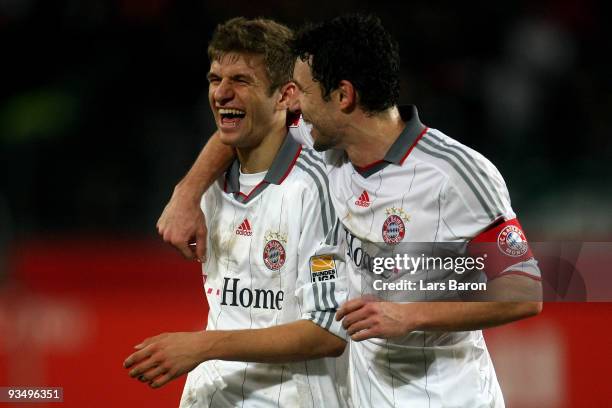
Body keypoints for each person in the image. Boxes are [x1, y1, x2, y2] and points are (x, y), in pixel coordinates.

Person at [156, 14, 543, 407]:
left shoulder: (454, 172)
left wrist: (410, 317)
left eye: (303, 92)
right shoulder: (330, 150)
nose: (294, 104)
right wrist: (186, 194)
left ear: (343, 96)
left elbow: (523, 292)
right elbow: (244, 126)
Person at [123, 17, 350, 408]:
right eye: (215, 80)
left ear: (284, 95)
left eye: (241, 81)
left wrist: (203, 346)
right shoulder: (207, 185)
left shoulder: (318, 185)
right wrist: (187, 191)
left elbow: (327, 333)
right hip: (210, 396)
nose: (222, 94)